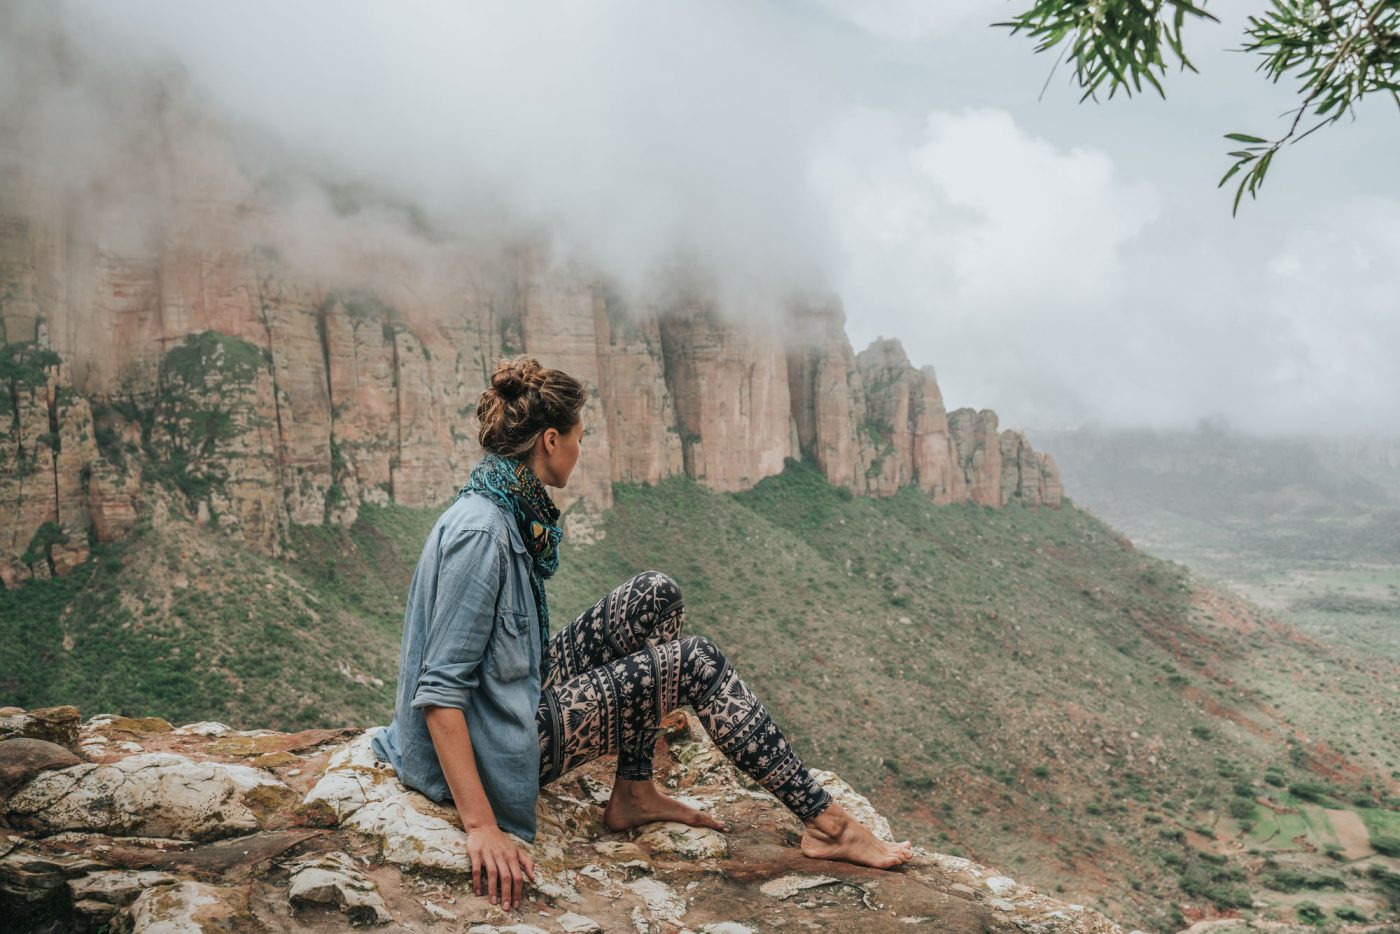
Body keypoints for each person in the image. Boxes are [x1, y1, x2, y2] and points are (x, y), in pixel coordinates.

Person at [372, 356, 913, 911]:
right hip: (488, 747)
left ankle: (633, 790)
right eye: (580, 439)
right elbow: (439, 695)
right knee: (696, 662)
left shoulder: (508, 506)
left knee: (657, 595)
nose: (583, 451)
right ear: (552, 440)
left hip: (508, 698)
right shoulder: (482, 533)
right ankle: (827, 825)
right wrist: (481, 826)